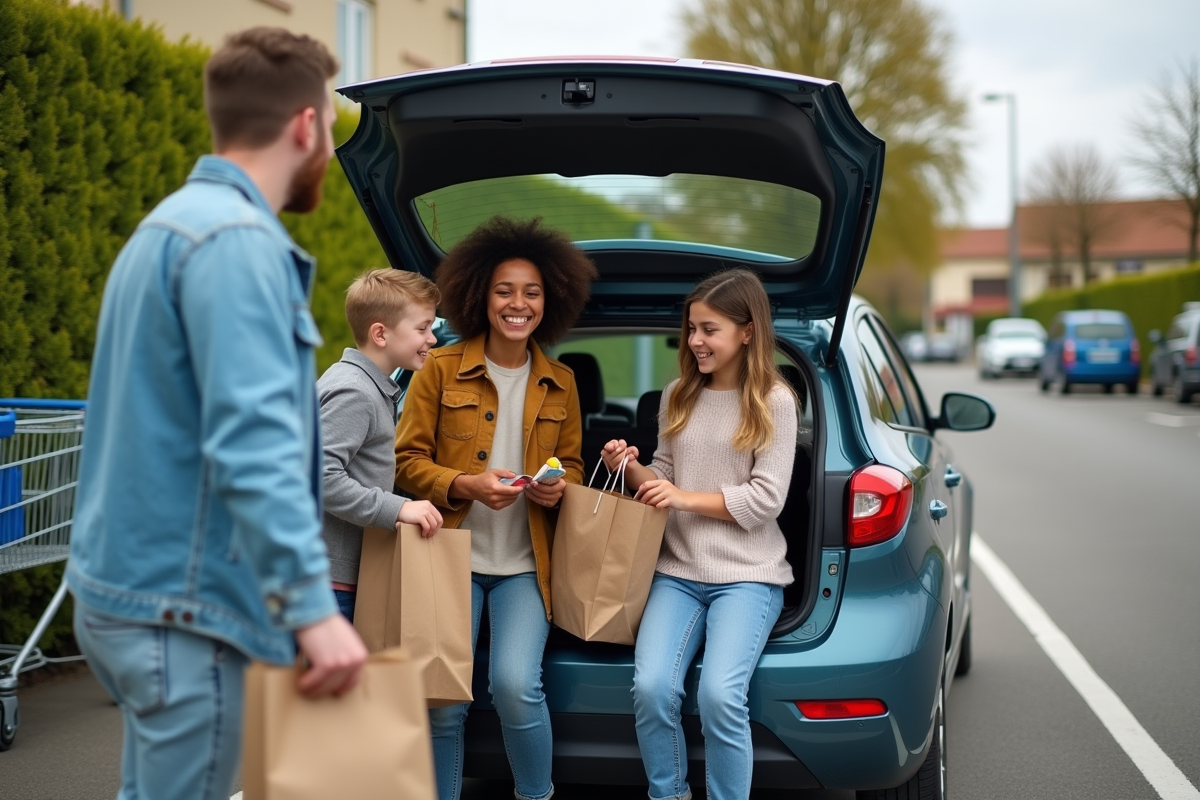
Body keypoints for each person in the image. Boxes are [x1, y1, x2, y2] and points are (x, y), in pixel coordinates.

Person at [67, 28, 368, 800]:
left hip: (129, 589)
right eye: (330, 134)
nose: (330, 154)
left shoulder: (169, 225)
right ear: (305, 125)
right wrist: (313, 611)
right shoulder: (237, 244)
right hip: (187, 609)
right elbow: (253, 442)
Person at [394, 215, 598, 800]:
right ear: (479, 295)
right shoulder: (438, 368)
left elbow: (574, 466)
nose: (518, 304)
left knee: (514, 687)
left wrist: (559, 489)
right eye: (505, 290)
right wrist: (465, 484)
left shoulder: (561, 381)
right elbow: (404, 462)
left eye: (531, 292)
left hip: (524, 568)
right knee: (444, 704)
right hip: (449, 557)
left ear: (549, 299)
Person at [600, 268, 798, 800]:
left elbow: (765, 499)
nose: (694, 342)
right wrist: (628, 466)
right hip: (677, 572)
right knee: (651, 688)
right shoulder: (678, 395)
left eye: (708, 329)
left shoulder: (774, 401)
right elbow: (663, 477)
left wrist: (683, 497)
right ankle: (669, 794)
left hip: (748, 577)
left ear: (747, 331)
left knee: (719, 696)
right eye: (691, 329)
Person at [319, 269, 445, 622]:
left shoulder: (360, 384)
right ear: (380, 333)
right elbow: (319, 476)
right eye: (422, 328)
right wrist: (397, 509)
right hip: (330, 584)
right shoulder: (355, 392)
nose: (432, 338)